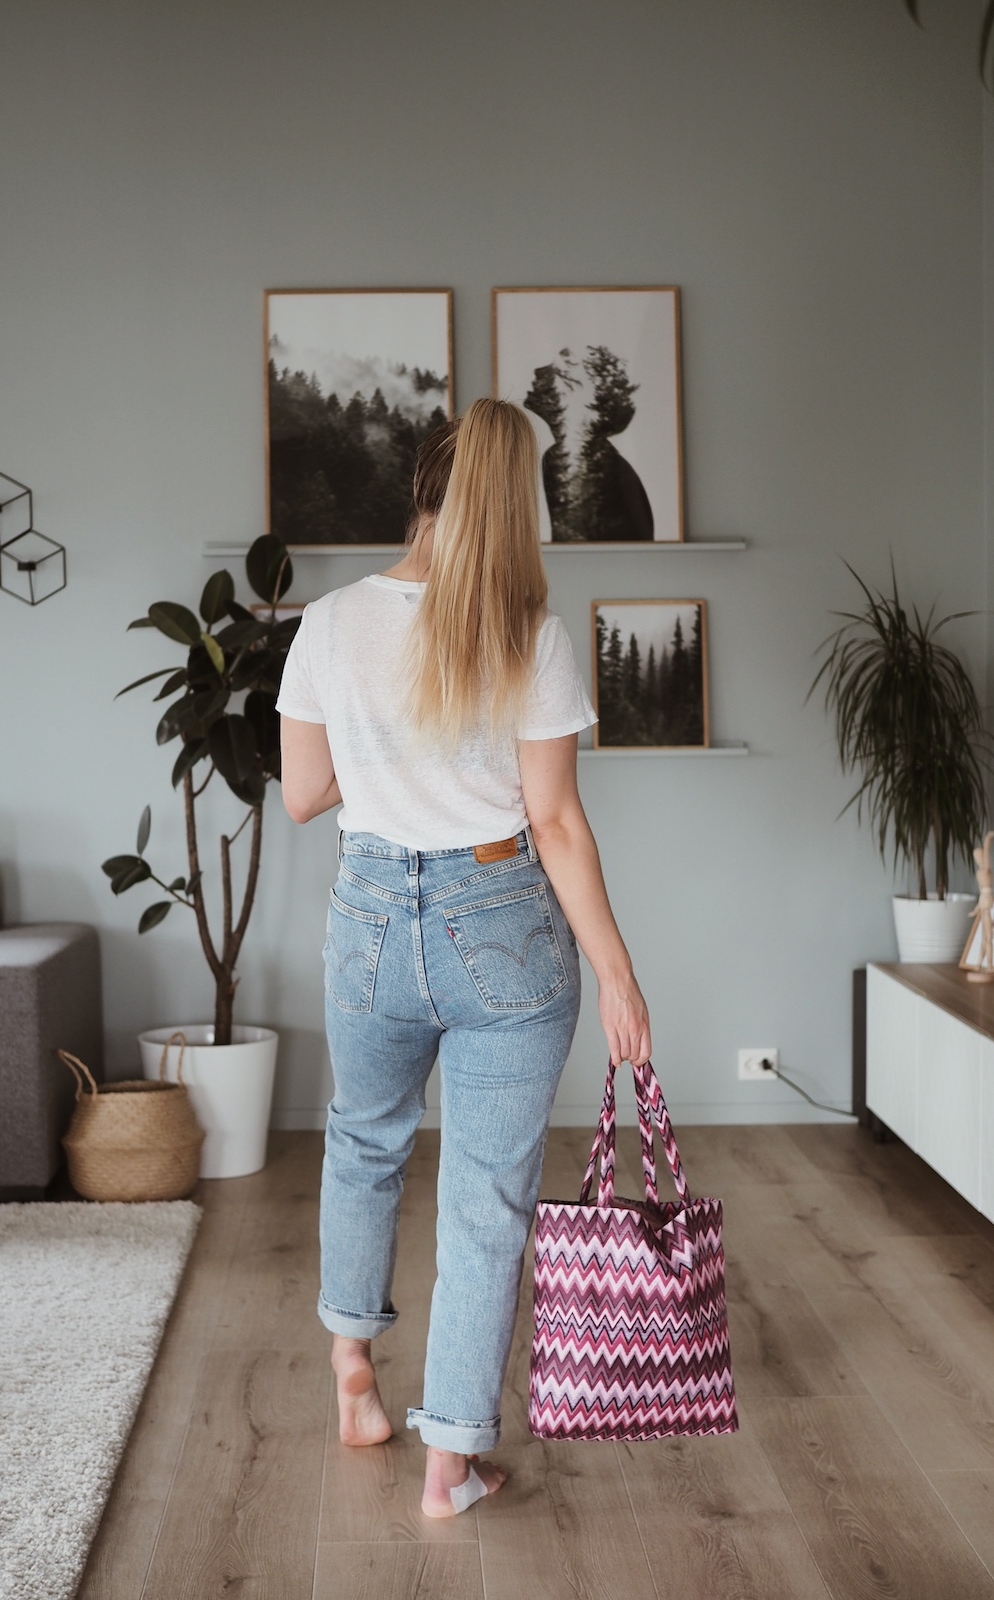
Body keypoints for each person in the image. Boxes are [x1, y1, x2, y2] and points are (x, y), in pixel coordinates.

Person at [276, 398, 652, 1518]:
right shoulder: (527, 627)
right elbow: (557, 825)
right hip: (502, 930)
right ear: (513, 505)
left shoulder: (333, 622)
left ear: (418, 492)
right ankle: (451, 1463)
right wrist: (622, 976)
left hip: (372, 919)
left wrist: (385, 750)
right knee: (486, 1199)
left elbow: (303, 795)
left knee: (363, 1142)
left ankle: (354, 1380)